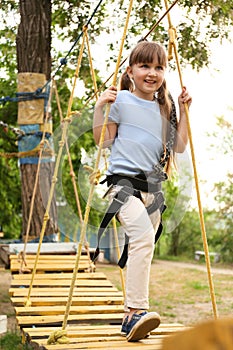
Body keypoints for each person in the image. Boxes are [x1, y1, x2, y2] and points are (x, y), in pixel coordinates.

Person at [93, 40, 192, 342]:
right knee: (143, 238)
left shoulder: (165, 106)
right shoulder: (120, 100)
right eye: (144, 66)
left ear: (164, 72)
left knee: (143, 249)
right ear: (131, 71)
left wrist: (185, 110)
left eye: (159, 67)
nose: (152, 73)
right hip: (123, 187)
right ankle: (137, 310)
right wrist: (100, 106)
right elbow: (103, 141)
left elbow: (179, 146)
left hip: (153, 190)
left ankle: (128, 317)